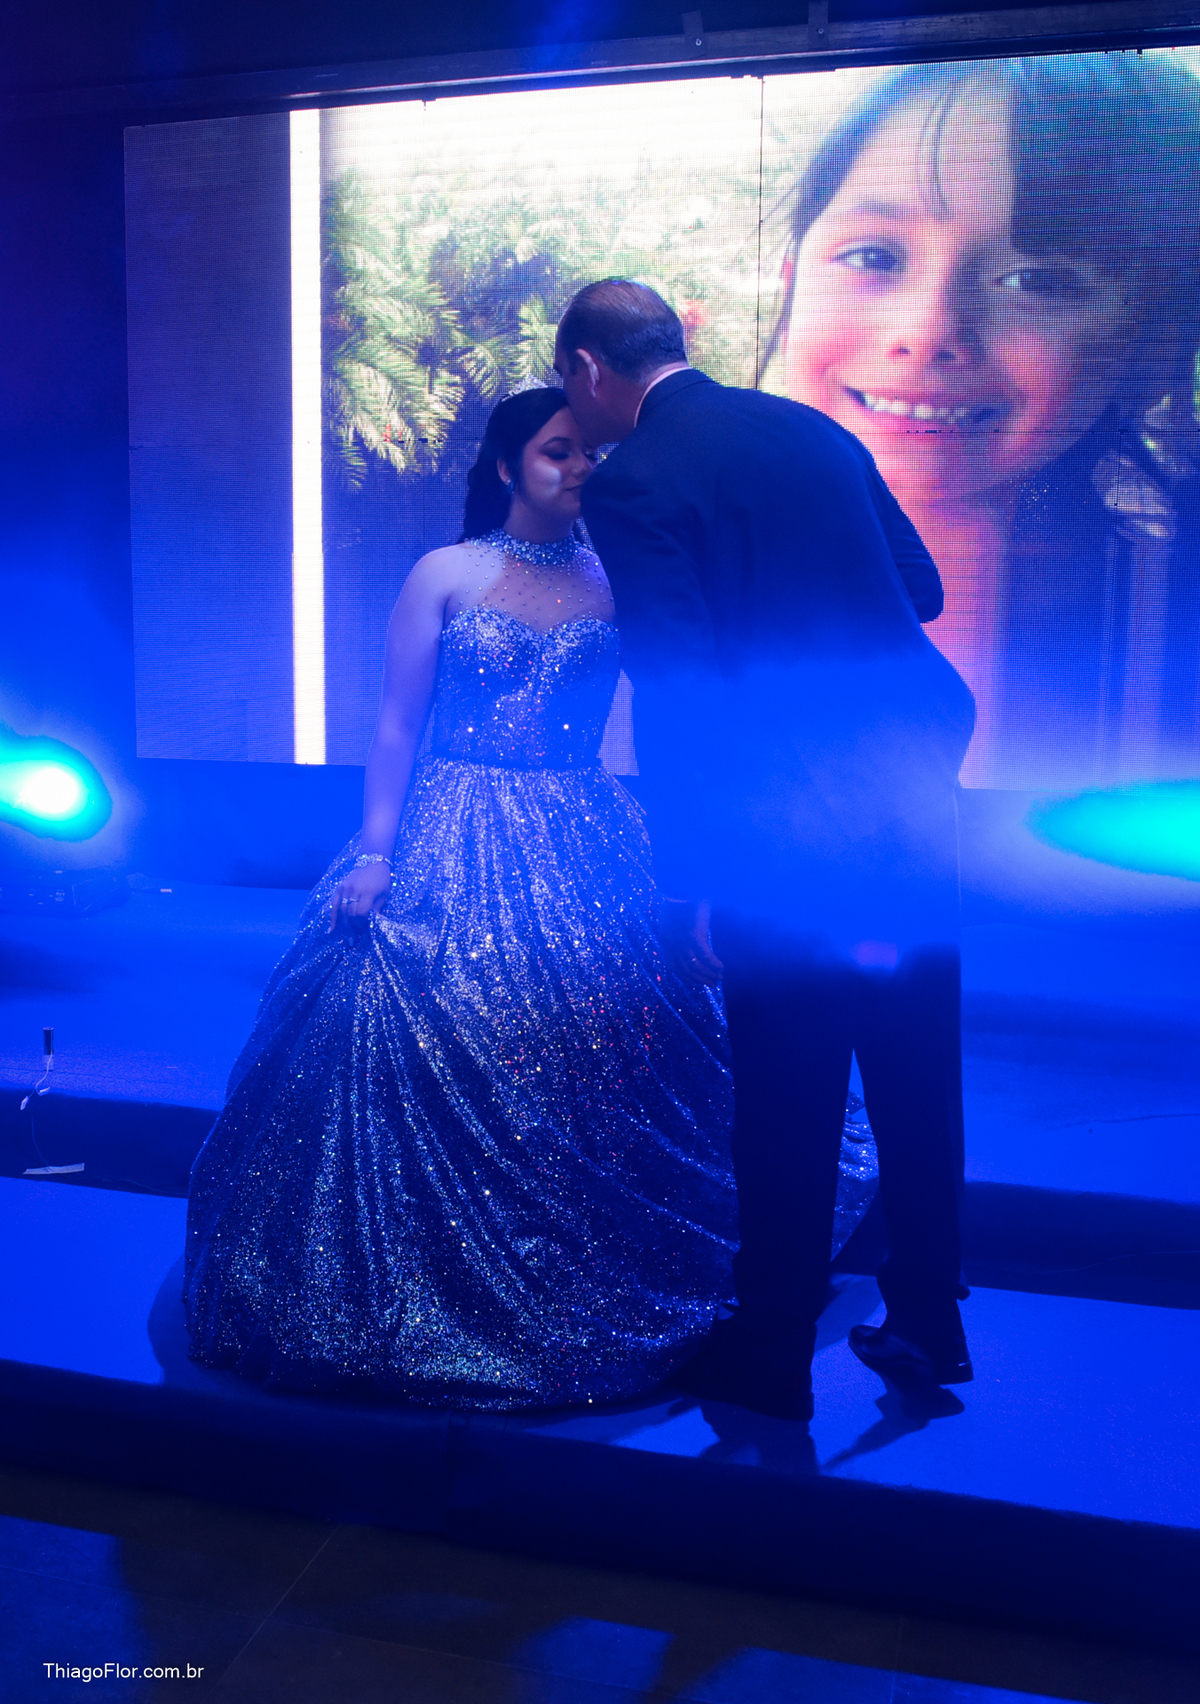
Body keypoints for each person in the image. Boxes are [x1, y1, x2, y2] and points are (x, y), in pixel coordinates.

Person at [184, 388, 743, 1407]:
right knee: (385, 1024)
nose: (580, 469)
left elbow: (683, 711)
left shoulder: (619, 578)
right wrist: (377, 855)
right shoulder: (444, 572)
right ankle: (381, 1288)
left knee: (598, 1045)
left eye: (590, 454)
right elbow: (397, 724)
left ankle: (575, 1272)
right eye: (558, 451)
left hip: (582, 828)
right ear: (505, 464)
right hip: (447, 823)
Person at [557, 279, 976, 1422]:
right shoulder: (812, 428)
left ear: (589, 368)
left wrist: (691, 876)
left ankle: (773, 1349)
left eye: (567, 387)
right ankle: (930, 1319)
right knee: (916, 1069)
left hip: (781, 830)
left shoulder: (636, 478)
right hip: (906, 798)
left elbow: (679, 687)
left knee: (788, 1088)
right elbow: (924, 590)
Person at [768, 54, 1200, 789]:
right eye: (873, 255)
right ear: (793, 277)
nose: (928, 330)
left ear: (1156, 341)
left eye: (1038, 280)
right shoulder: (662, 563)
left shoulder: (1164, 618)